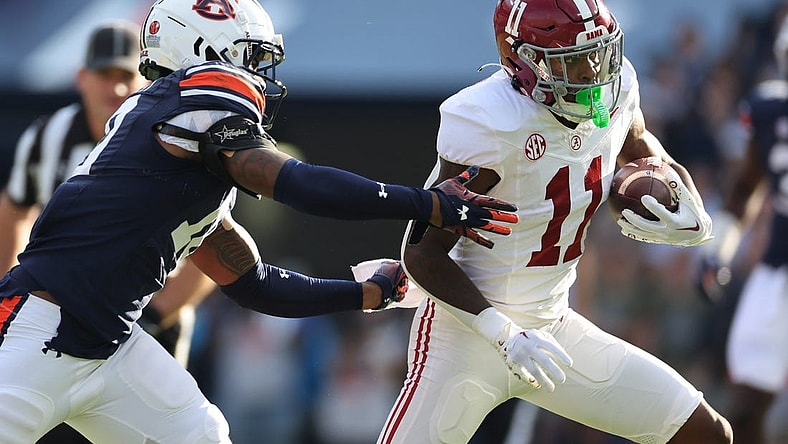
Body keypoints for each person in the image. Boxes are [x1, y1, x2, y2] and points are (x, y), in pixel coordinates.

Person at [0, 0, 519, 442]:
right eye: (253, 57)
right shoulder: (193, 99)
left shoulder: (175, 165)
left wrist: (366, 294)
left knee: (202, 434)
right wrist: (425, 203)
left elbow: (255, 285)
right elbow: (292, 182)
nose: (263, 77)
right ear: (203, 53)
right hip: (37, 329)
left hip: (110, 345)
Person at [375, 1, 733, 443]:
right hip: (465, 335)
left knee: (707, 433)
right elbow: (420, 254)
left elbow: (641, 149)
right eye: (574, 62)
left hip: (552, 327)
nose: (593, 74)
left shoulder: (616, 88)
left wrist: (689, 203)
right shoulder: (489, 120)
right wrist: (503, 334)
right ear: (524, 62)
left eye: (598, 54)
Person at [0, 20, 213, 444]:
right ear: (82, 77)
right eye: (104, 75)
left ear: (146, 79)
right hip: (56, 320)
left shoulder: (180, 137)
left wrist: (154, 316)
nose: (115, 89)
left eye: (125, 76)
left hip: (144, 317)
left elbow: (216, 246)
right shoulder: (49, 137)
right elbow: (13, 209)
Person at [698, 14, 788, 444]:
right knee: (748, 404)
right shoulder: (769, 113)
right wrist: (718, 251)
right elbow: (744, 193)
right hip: (778, 268)